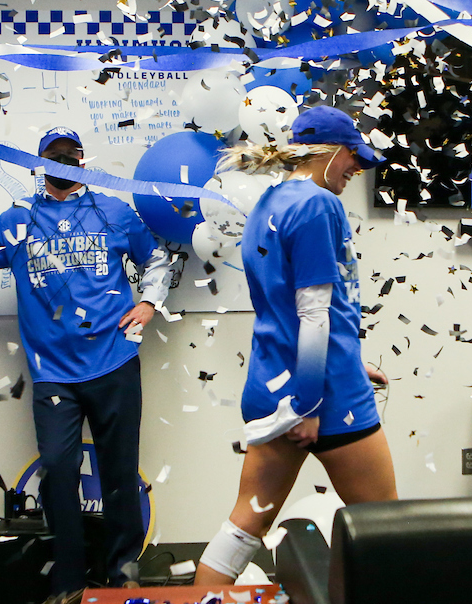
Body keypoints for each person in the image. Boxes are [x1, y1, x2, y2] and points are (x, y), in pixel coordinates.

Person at [0, 127, 172, 594]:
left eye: (70, 156)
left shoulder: (113, 211)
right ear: (39, 164)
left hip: (114, 363)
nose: (62, 163)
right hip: (53, 376)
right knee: (59, 471)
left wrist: (149, 303)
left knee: (120, 472)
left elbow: (158, 259)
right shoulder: (20, 219)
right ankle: (68, 579)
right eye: (53, 156)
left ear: (83, 163)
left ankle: (123, 574)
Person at [195, 105, 397, 585]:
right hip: (323, 396)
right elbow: (313, 313)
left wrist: (350, 358)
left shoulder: (269, 202)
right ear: (328, 152)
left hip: (273, 382)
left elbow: (291, 307)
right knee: (389, 529)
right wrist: (311, 401)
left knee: (246, 524)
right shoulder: (317, 205)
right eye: (353, 156)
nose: (358, 168)